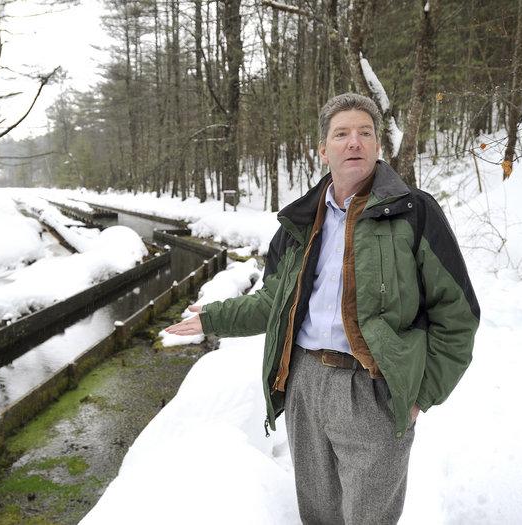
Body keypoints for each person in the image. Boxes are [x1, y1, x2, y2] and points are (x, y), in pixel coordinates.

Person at [164, 93, 480, 525]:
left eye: (365, 133)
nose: (355, 142)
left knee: (369, 517)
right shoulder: (300, 223)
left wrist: (420, 395)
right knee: (317, 514)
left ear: (377, 146)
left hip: (373, 389)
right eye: (342, 134)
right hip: (304, 383)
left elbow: (458, 316)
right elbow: (271, 304)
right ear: (322, 149)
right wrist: (212, 317)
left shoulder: (414, 212)